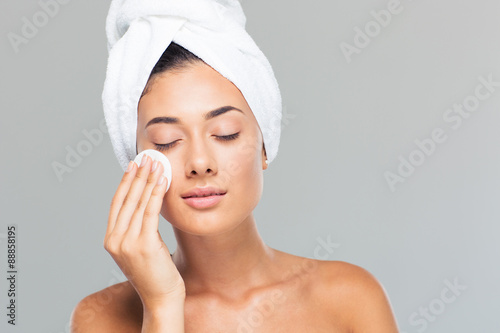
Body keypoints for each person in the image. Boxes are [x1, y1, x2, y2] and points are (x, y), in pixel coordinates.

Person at [69, 41, 399, 332]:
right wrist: (162, 305)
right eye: (166, 141)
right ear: (138, 162)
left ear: (265, 146)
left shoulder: (351, 296)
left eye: (226, 133)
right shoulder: (101, 319)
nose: (200, 162)